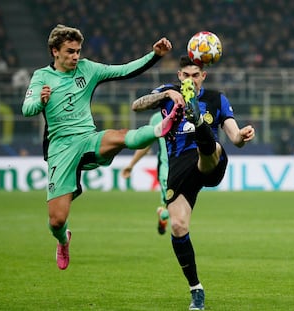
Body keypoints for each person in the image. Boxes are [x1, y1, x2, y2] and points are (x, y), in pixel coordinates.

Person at [21, 24, 181, 270]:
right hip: (60, 149)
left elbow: (124, 70)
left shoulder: (88, 69)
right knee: (56, 220)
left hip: (87, 138)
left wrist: (155, 55)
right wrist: (40, 102)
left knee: (118, 136)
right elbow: (27, 108)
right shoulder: (42, 76)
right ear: (55, 51)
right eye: (70, 51)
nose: (76, 56)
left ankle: (159, 128)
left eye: (78, 51)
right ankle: (64, 240)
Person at [131, 55, 255, 310]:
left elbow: (235, 137)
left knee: (209, 147)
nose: (191, 79)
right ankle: (196, 289)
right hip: (178, 166)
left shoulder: (216, 98)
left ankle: (198, 122)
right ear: (179, 76)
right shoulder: (167, 93)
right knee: (177, 226)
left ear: (203, 77)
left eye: (195, 75)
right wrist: (165, 96)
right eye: (186, 75)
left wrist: (242, 135)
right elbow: (137, 105)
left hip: (209, 160)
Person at [121, 112, 169, 235]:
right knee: (174, 208)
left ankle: (164, 213)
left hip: (186, 167)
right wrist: (131, 164)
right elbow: (146, 145)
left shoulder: (190, 112)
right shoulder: (157, 118)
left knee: (182, 205)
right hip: (167, 169)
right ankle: (163, 214)